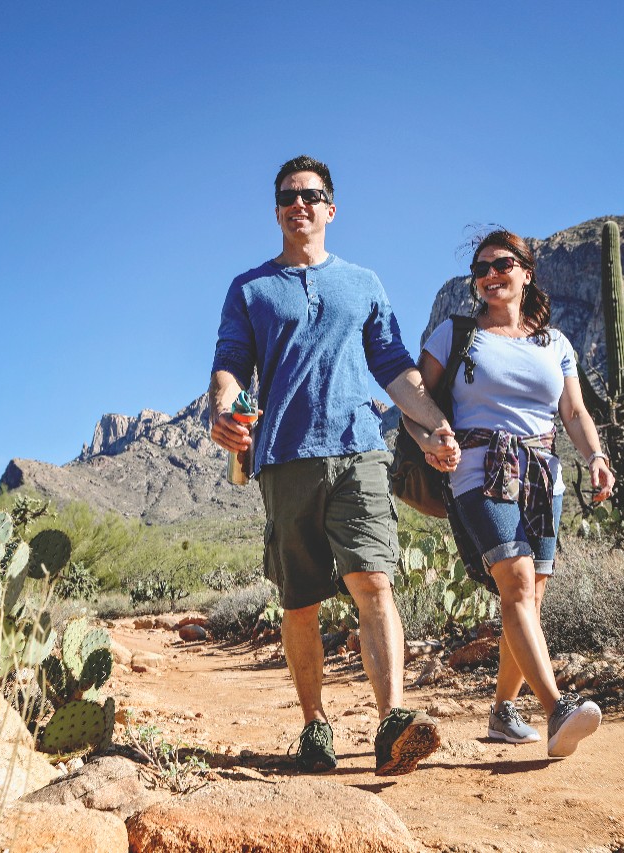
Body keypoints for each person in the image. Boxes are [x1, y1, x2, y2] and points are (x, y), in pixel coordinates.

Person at [209, 155, 457, 776]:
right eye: (290, 196)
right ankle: (314, 726)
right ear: (278, 211)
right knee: (301, 601)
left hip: (360, 449)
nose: (301, 204)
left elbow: (395, 366)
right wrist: (221, 406)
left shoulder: (363, 282)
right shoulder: (250, 288)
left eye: (312, 195)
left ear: (330, 208)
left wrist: (432, 426)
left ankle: (392, 722)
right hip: (284, 457)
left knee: (374, 581)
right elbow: (231, 362)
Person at [406, 228, 615, 758]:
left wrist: (595, 456)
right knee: (516, 581)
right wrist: (433, 441)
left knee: (529, 599)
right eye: (480, 269)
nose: (490, 275)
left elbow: (573, 412)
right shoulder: (455, 335)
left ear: (526, 272)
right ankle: (557, 709)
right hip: (478, 468)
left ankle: (502, 712)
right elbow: (414, 402)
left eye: (502, 264)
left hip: (544, 474)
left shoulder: (556, 344)